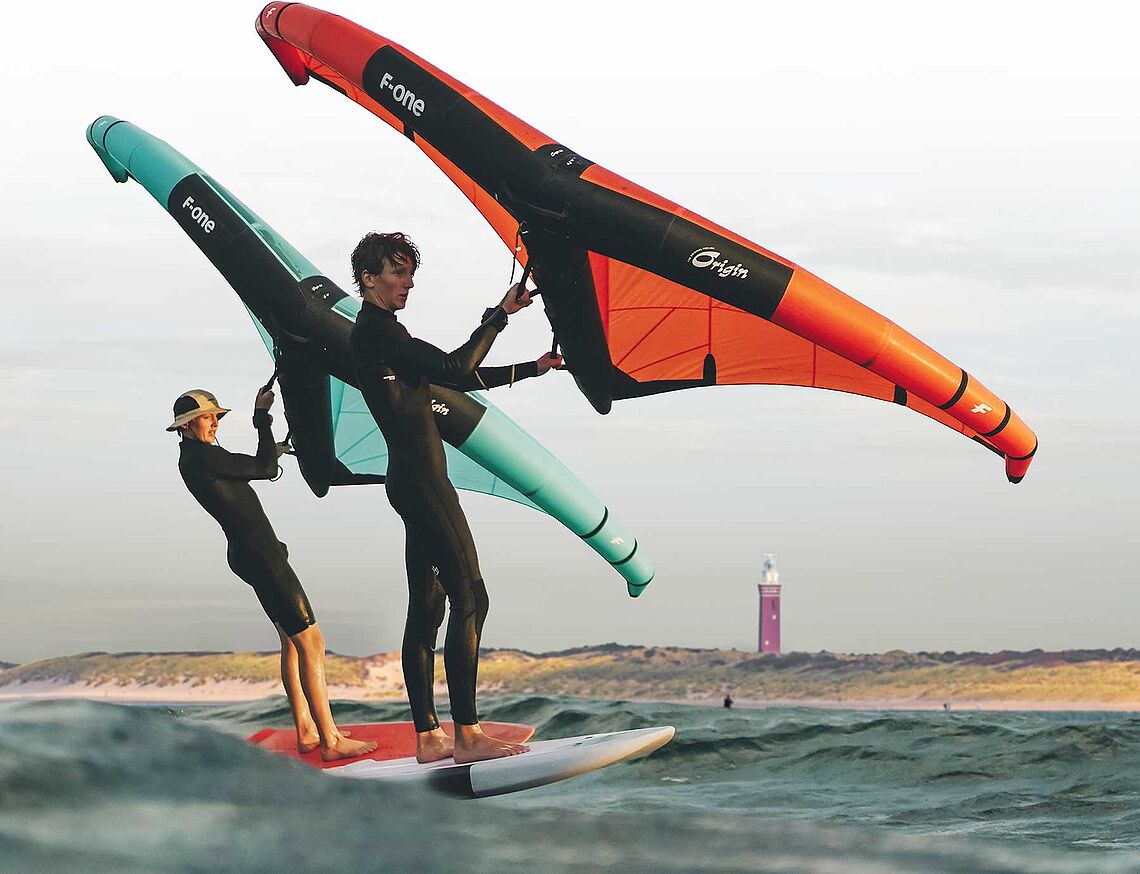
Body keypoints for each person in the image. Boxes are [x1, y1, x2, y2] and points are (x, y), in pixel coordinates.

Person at [349, 231, 561, 764]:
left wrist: (529, 369)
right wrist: (499, 315)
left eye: (410, 273)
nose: (409, 283)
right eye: (398, 273)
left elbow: (449, 382)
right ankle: (467, 735)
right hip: (423, 484)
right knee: (472, 598)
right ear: (369, 278)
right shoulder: (380, 333)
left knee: (428, 608)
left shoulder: (381, 336)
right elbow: (455, 368)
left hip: (409, 481)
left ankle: (428, 737)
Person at [168, 388, 377, 762]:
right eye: (207, 417)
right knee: (312, 641)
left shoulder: (196, 458)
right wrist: (262, 419)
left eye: (216, 416)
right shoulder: (203, 457)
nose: (214, 422)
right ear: (185, 425)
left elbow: (251, 465)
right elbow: (264, 470)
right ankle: (331, 740)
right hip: (261, 556)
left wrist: (272, 449)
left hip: (252, 553)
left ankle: (306, 731)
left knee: (290, 640)